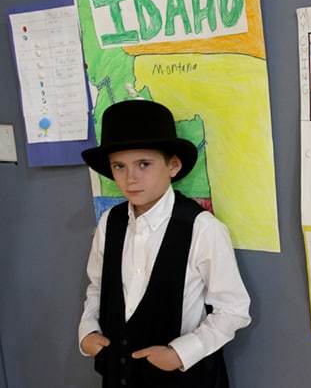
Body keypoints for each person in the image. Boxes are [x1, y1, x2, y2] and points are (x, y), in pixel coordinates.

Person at [78, 99, 251, 388]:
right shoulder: (110, 222)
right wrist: (87, 330)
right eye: (119, 166)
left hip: (185, 380)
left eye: (143, 164)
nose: (130, 178)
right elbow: (98, 286)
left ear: (173, 165)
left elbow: (233, 309)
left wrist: (180, 353)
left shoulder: (201, 228)